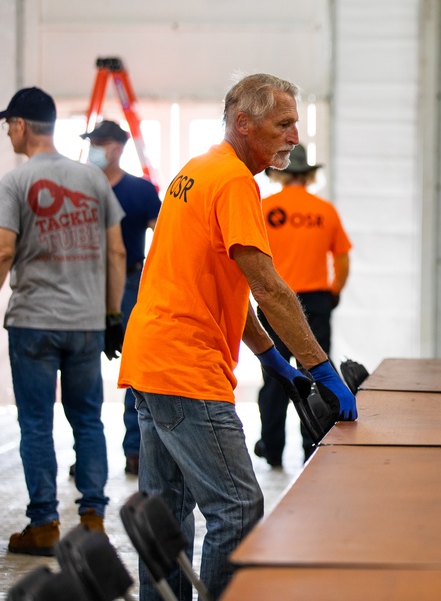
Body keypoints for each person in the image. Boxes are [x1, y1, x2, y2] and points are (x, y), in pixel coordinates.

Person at [118, 73, 358, 599]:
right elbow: (268, 287)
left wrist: (271, 355)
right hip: (186, 366)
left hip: (151, 359)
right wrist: (321, 368)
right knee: (239, 507)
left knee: (166, 515)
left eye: (296, 124)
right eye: (284, 124)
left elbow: (225, 282)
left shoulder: (198, 170)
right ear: (244, 123)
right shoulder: (233, 182)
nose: (294, 137)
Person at [0, 87, 126, 555]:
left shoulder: (14, 183)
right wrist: (113, 314)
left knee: (35, 422)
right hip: (86, 322)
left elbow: (4, 250)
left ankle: (44, 525)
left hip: (34, 322)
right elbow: (117, 250)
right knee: (87, 419)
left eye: (7, 125)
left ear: (19, 126)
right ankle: (93, 520)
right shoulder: (94, 179)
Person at [254, 143, 352, 468]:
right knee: (316, 373)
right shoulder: (324, 210)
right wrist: (333, 292)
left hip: (273, 301)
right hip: (314, 302)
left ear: (279, 173)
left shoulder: (264, 209)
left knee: (275, 377)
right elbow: (341, 259)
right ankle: (314, 444)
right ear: (309, 175)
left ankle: (272, 448)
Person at [81, 119, 160, 476]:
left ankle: (135, 450)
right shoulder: (79, 186)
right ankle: (87, 453)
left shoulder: (141, 191)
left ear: (118, 147)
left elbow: (163, 236)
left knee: (135, 369)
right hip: (83, 285)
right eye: (92, 141)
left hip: (129, 284)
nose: (96, 147)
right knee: (82, 371)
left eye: (102, 141)